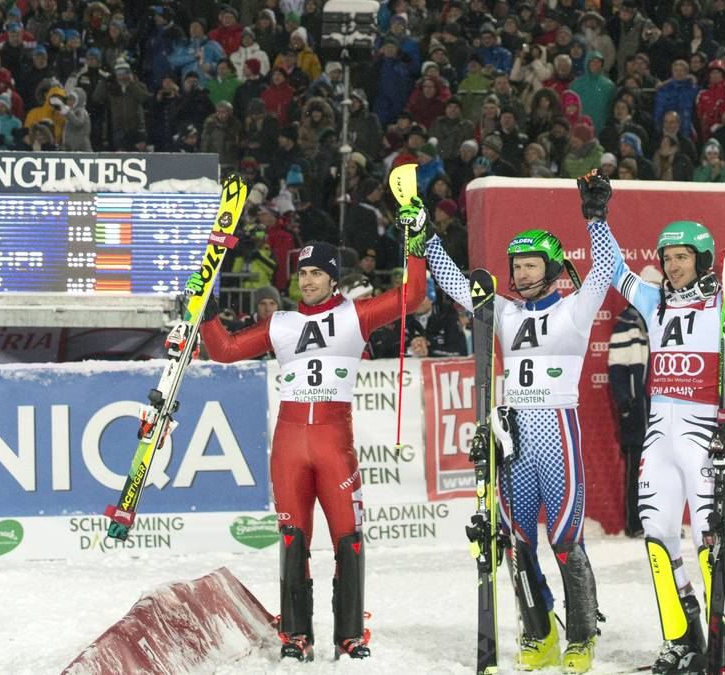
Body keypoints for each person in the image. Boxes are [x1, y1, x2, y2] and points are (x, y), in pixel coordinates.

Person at [196, 203, 429, 662]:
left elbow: (414, 293)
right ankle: (296, 636)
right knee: (292, 538)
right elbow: (222, 350)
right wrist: (208, 312)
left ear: (332, 278)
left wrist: (416, 241)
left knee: (349, 536)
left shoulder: (356, 315)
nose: (306, 281)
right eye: (301, 274)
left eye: (316, 273)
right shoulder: (281, 324)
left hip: (332, 442)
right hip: (288, 443)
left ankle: (350, 636)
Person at [425, 171, 621, 673]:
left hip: (556, 427)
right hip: (514, 432)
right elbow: (454, 285)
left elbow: (606, 268)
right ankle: (539, 632)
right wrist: (425, 236)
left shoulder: (576, 309)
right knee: (516, 538)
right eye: (517, 264)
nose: (523, 273)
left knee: (564, 537)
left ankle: (581, 637)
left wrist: (595, 218)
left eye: (532, 264)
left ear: (552, 266)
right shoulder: (506, 312)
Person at [607, 177, 725, 673]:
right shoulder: (654, 301)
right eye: (667, 258)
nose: (671, 265)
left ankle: (721, 631)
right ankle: (681, 634)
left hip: (703, 433)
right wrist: (595, 218)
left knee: (711, 537)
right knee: (657, 535)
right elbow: (612, 270)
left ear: (703, 259)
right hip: (658, 435)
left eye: (682, 256)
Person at [608, 300, 651, 538]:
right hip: (637, 412)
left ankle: (659, 524)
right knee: (636, 469)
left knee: (660, 470)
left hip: (660, 410)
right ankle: (634, 523)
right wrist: (626, 404)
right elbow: (616, 370)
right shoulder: (626, 324)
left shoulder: (661, 320)